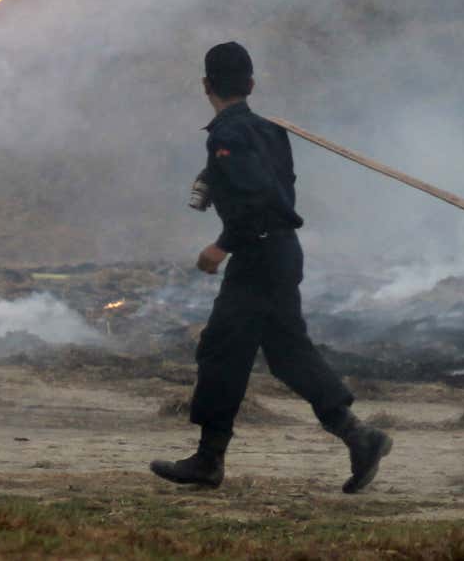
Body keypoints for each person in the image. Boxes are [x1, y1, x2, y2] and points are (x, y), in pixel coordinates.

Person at [150, 42, 392, 493]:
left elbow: (259, 200)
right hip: (281, 253)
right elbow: (275, 188)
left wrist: (222, 245)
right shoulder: (269, 131)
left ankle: (208, 461)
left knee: (221, 349)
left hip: (257, 254)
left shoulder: (227, 136)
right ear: (251, 85)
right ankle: (360, 437)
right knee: (287, 353)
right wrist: (212, 180)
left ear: (206, 85)